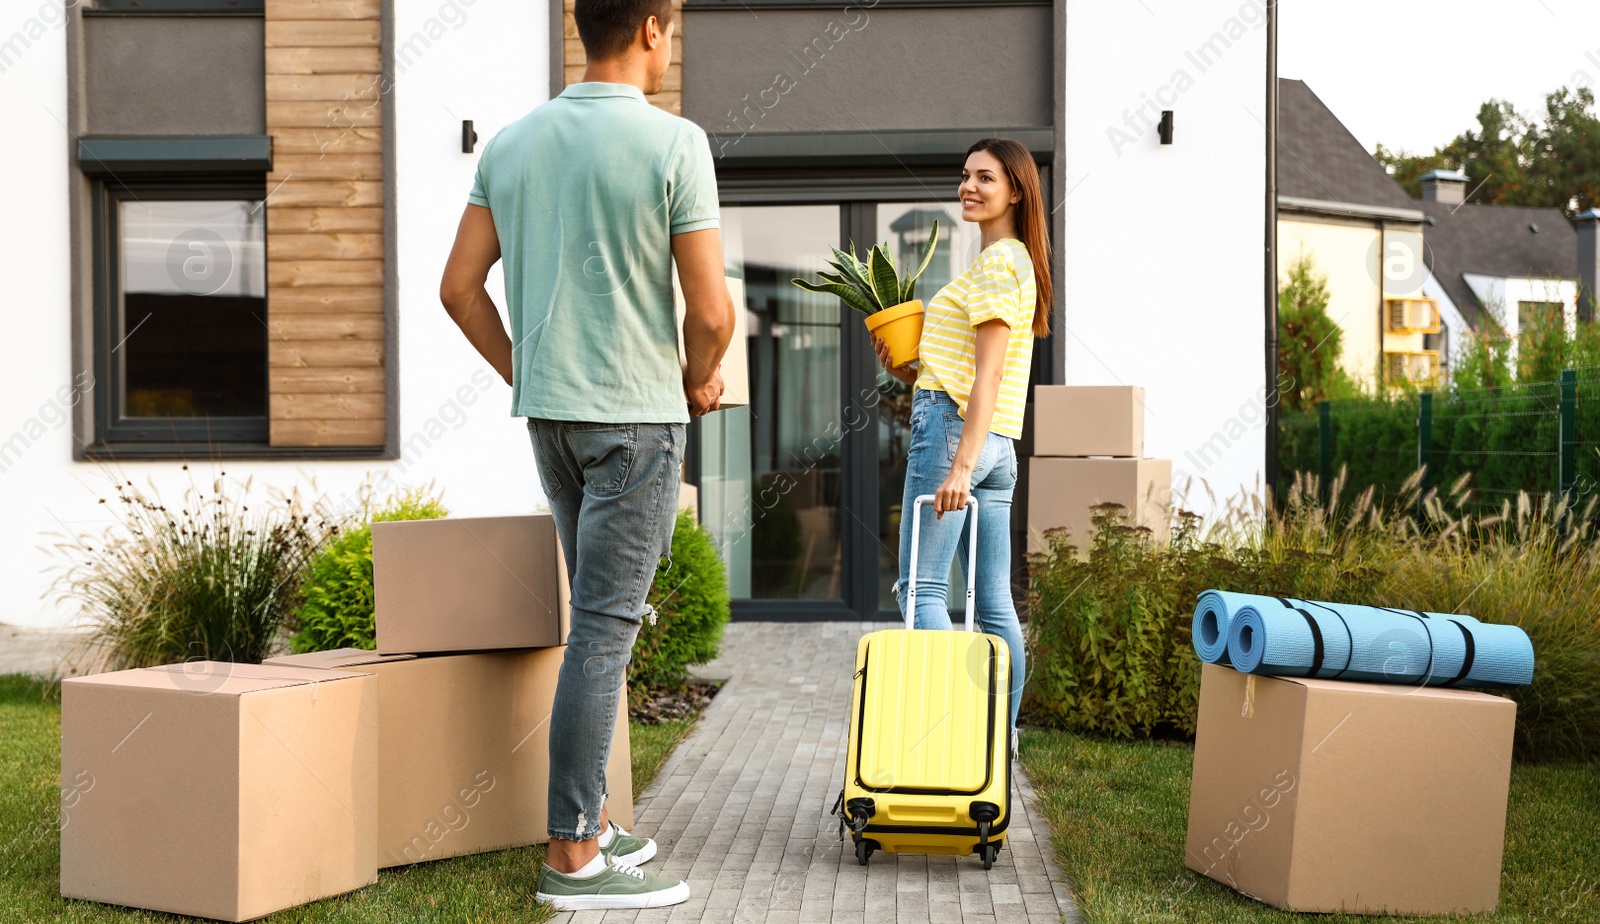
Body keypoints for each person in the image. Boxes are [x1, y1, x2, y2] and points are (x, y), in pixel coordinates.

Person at [438, 0, 735, 910]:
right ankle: (571, 856)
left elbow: (459, 290)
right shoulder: (674, 143)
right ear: (651, 27)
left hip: (554, 421)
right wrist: (700, 375)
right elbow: (714, 312)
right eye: (672, 24)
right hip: (637, 421)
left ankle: (594, 820)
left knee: (597, 630)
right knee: (605, 633)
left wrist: (528, 370)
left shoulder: (511, 144)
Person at [873, 137, 1053, 750]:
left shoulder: (1002, 262)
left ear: (1016, 190)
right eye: (965, 175)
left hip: (961, 441)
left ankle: (952, 740)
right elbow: (960, 369)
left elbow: (991, 373)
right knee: (996, 601)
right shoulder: (1002, 263)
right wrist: (906, 369)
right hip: (995, 443)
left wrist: (959, 466)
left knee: (921, 590)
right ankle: (998, 739)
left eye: (985, 177)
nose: (968, 186)